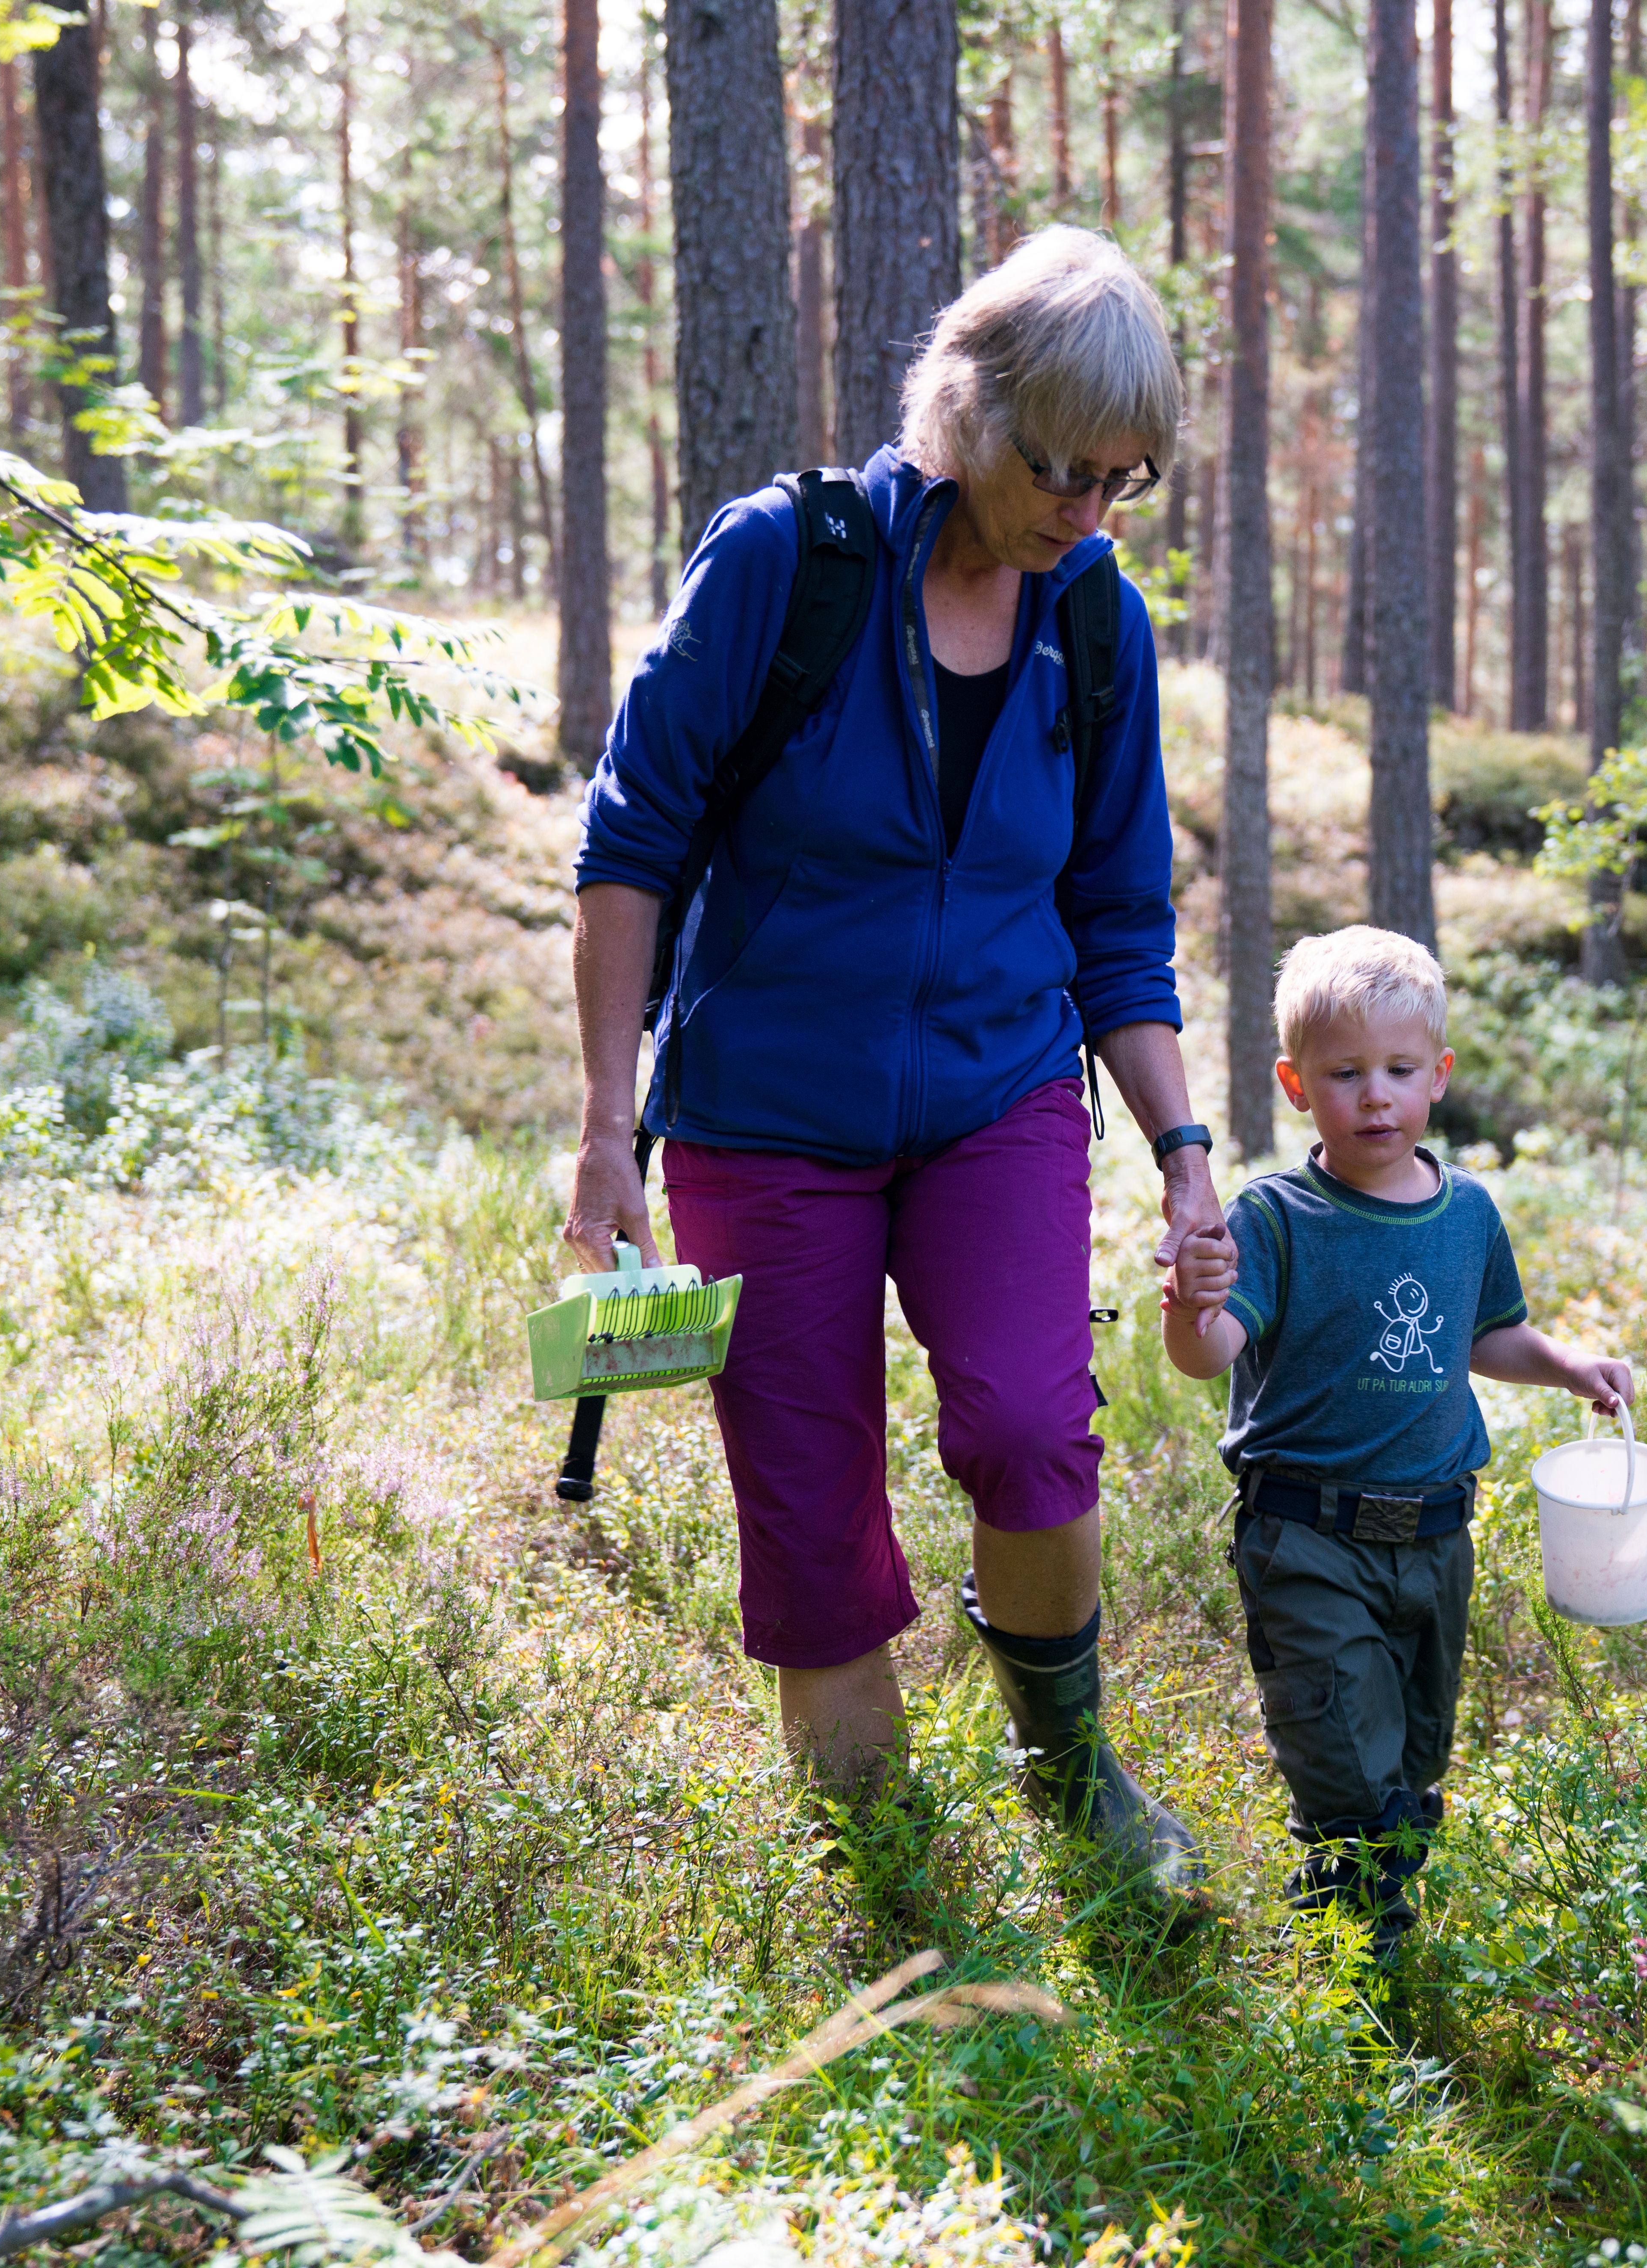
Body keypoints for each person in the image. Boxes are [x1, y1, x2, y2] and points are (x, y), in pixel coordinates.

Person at [564, 228, 1231, 1919]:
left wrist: (1181, 1149)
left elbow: (1117, 913)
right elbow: (631, 844)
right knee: (807, 1510)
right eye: (1057, 468)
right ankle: (889, 1883)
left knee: (1024, 1429)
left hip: (991, 1097)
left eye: (1121, 480)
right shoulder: (788, 566)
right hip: (760, 1119)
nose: (1080, 511)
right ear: (966, 408)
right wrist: (599, 1126)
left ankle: (1074, 1786)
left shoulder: (1096, 626)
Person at [1161, 927, 1631, 1960]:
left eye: (1399, 1072)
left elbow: (1485, 1332)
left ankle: (1375, 1931)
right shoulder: (1278, 1218)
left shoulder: (1465, 1212)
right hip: (1308, 1536)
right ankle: (1350, 1964)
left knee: (1414, 1760)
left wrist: (1567, 1368)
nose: (1374, 1097)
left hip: (1434, 1538)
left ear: (1439, 1078)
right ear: (1295, 1084)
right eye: (1344, 1074)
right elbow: (1211, 1354)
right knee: (1343, 1760)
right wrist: (1189, 1306)